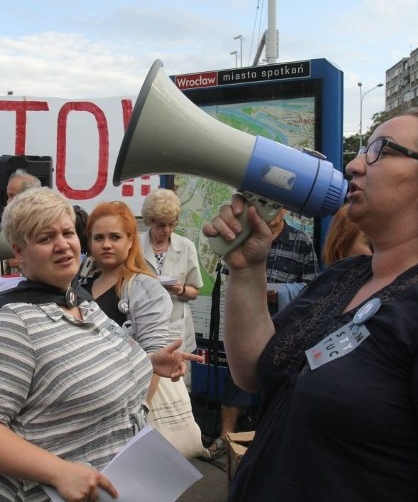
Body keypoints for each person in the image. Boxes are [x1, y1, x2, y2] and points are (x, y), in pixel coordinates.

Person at [203, 108, 418, 500]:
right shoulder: (345, 278)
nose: (352, 165)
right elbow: (255, 373)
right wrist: (247, 269)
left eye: (380, 151)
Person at [0, 188, 201, 502]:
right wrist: (57, 471)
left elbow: (84, 369)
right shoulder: (14, 323)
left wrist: (147, 363)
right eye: (45, 238)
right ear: (19, 252)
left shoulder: (82, 303)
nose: (63, 245)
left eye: (68, 232)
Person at [206, 208, 319, 461]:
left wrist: (277, 292)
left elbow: (312, 285)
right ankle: (225, 437)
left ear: (286, 209)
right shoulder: (245, 234)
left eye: (276, 205)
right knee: (235, 378)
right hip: (248, 314)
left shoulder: (301, 240)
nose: (270, 211)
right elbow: (228, 275)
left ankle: (272, 442)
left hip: (286, 319)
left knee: (282, 379)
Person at [82, 201, 172, 355]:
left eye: (115, 237)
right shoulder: (79, 285)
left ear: (130, 241)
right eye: (98, 238)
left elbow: (155, 358)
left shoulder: (146, 290)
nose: (106, 245)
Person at [139, 189, 202, 357]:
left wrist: (180, 289)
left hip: (176, 326)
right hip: (143, 324)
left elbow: (195, 291)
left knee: (178, 379)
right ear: (149, 221)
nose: (167, 230)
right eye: (161, 225)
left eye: (172, 224)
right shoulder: (134, 246)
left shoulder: (186, 246)